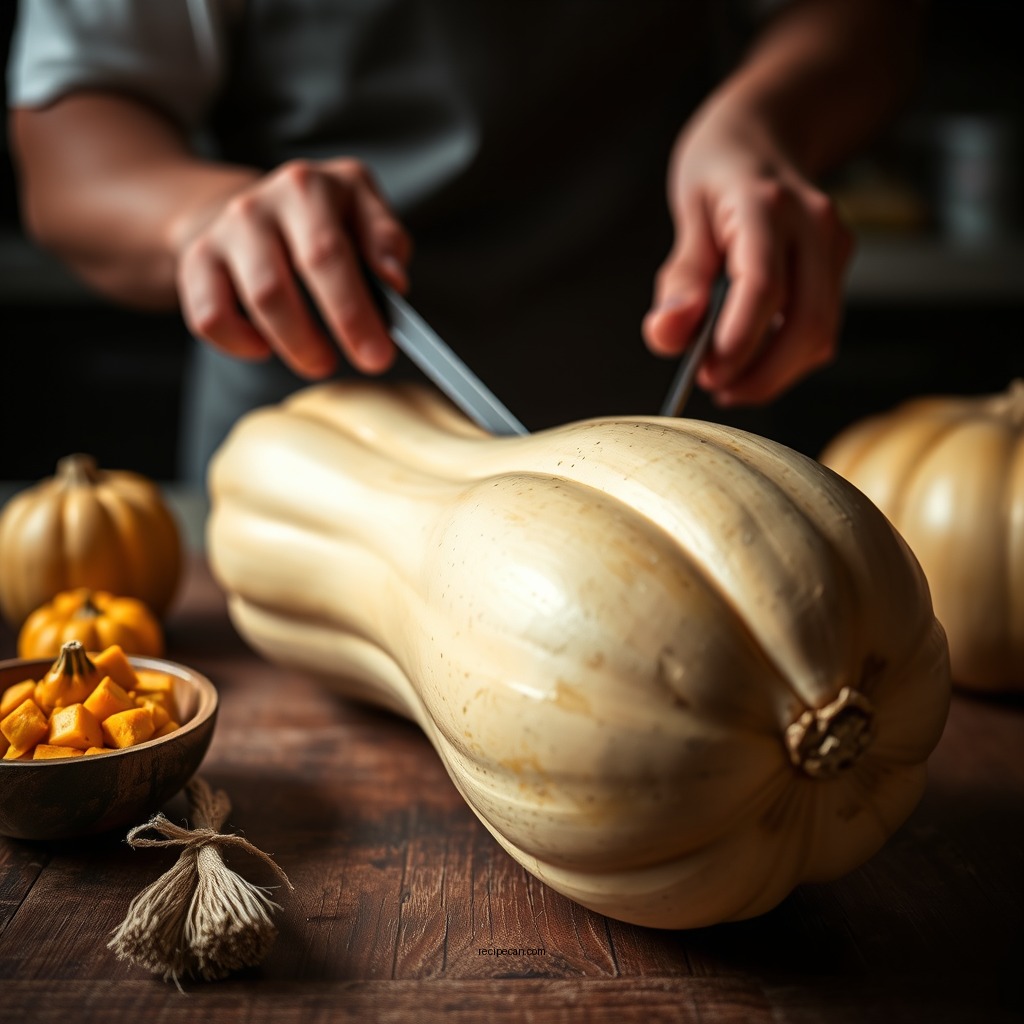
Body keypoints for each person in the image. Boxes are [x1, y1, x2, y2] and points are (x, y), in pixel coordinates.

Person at [7, 0, 923, 482]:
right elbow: (69, 143)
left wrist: (765, 121)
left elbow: (856, 18)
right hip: (319, 446)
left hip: (674, 407)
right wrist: (198, 214)